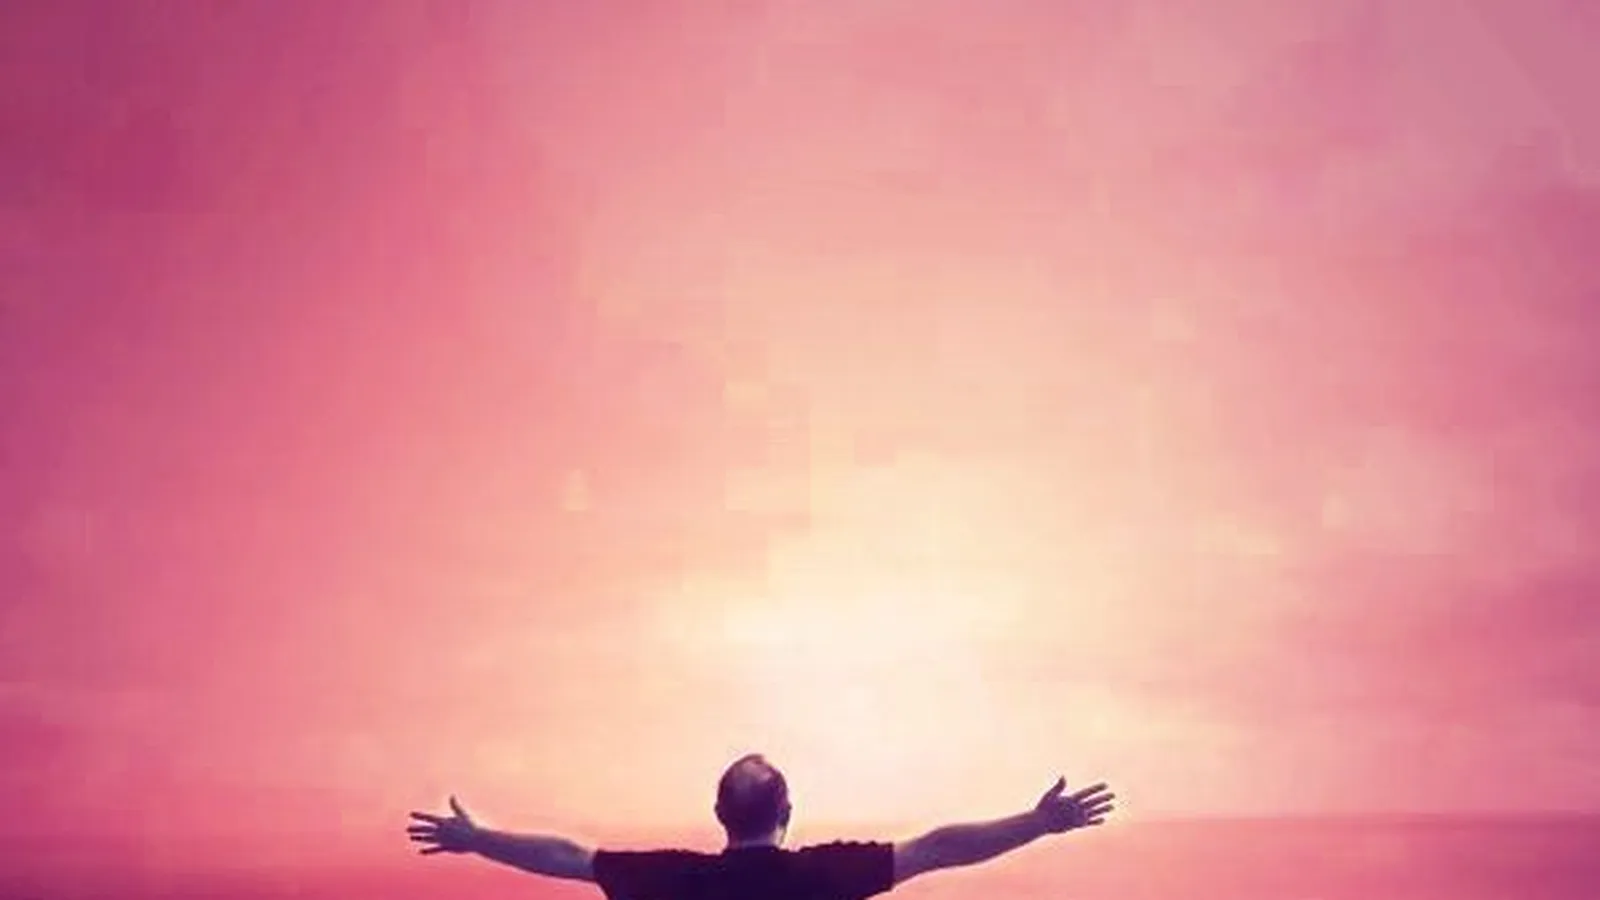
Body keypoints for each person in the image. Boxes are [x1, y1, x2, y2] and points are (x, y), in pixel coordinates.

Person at [407, 753, 1115, 899]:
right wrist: (1037, 823)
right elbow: (939, 848)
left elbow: (568, 857)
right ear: (787, 814)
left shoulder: (672, 880)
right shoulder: (825, 875)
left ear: (719, 815)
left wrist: (478, 839)